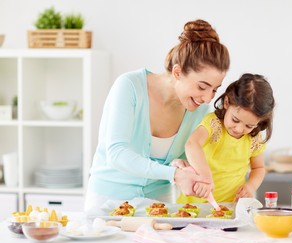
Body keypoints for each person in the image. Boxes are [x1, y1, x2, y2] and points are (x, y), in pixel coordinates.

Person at [84, 19, 230, 211]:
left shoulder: (200, 110)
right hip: (107, 200)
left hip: (158, 204)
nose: (207, 98)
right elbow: (117, 153)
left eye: (214, 90)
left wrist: (183, 167)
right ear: (177, 72)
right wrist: (174, 175)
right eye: (202, 87)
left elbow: (178, 159)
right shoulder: (130, 86)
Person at [177, 73, 275, 204]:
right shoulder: (214, 124)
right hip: (195, 203)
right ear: (227, 102)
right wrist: (205, 177)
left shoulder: (253, 138)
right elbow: (192, 144)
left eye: (249, 125)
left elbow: (258, 168)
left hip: (229, 207)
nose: (239, 129)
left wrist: (250, 187)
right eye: (235, 120)